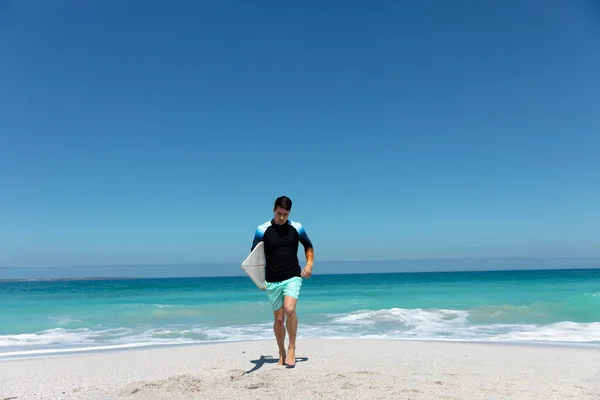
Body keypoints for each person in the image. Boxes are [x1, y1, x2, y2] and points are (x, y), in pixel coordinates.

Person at [251, 195, 314, 366]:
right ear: (274, 210)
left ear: (289, 213)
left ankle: (292, 348)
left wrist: (309, 263)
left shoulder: (297, 228)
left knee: (290, 310)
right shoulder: (262, 229)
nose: (281, 218)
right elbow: (254, 257)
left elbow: (308, 246)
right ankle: (281, 351)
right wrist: (258, 280)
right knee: (279, 319)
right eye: (279, 213)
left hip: (292, 276)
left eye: (285, 214)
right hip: (272, 280)